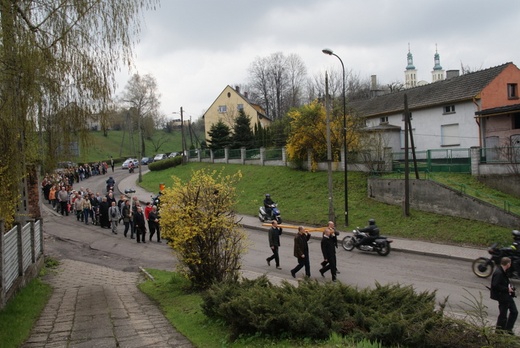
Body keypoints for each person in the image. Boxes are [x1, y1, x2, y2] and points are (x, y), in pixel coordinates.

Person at [490, 257, 518, 333]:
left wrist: (510, 287)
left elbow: (502, 282)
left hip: (506, 296)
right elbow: (495, 285)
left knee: (513, 312)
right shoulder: (499, 273)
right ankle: (500, 331)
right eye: (510, 263)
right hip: (502, 296)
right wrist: (507, 289)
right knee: (503, 315)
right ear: (508, 264)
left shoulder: (502, 271)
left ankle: (507, 329)